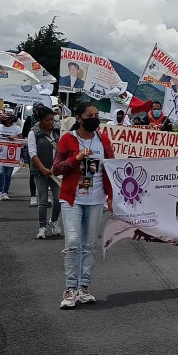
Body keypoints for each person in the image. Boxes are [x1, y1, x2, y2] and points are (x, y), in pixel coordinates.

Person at [51, 101, 115, 309]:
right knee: (73, 242)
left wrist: (111, 196)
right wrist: (76, 158)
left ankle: (84, 287)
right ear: (78, 118)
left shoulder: (103, 140)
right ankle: (70, 289)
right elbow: (57, 169)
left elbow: (112, 170)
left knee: (89, 245)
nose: (94, 119)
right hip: (72, 199)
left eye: (97, 115)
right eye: (89, 115)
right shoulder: (67, 139)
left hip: (95, 200)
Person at [28, 106, 63, 240]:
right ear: (41, 121)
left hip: (56, 171)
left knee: (58, 199)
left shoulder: (58, 132)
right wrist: (42, 168)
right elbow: (32, 153)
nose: (51, 122)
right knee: (42, 200)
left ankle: (54, 220)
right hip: (40, 171)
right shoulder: (34, 133)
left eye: (52, 119)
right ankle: (42, 227)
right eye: (47, 120)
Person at [0, 108, 22, 201]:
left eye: (7, 119)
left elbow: (21, 137)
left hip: (11, 155)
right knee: (0, 172)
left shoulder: (17, 128)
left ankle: (5, 192)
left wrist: (14, 137)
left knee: (8, 174)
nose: (5, 120)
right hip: (0, 154)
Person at [22, 103, 46, 207]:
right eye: (39, 109)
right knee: (33, 173)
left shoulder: (46, 119)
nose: (40, 111)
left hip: (45, 148)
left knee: (45, 172)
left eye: (42, 109)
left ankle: (43, 195)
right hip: (33, 147)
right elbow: (24, 133)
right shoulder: (29, 120)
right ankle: (33, 196)